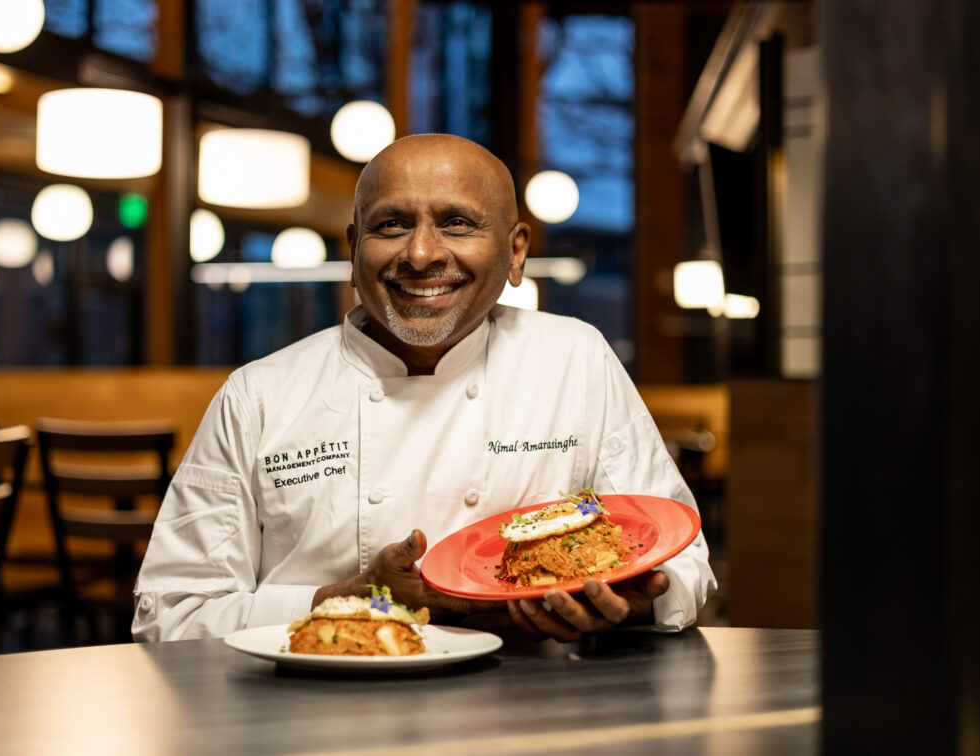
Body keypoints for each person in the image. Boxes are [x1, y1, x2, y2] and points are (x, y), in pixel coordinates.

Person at [133, 134, 716, 643]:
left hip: (533, 701)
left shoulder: (574, 359)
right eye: (392, 224)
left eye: (457, 223)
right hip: (319, 710)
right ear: (353, 248)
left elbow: (682, 558)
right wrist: (347, 600)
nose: (420, 254)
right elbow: (171, 614)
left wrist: (632, 604)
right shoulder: (257, 397)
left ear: (516, 252)